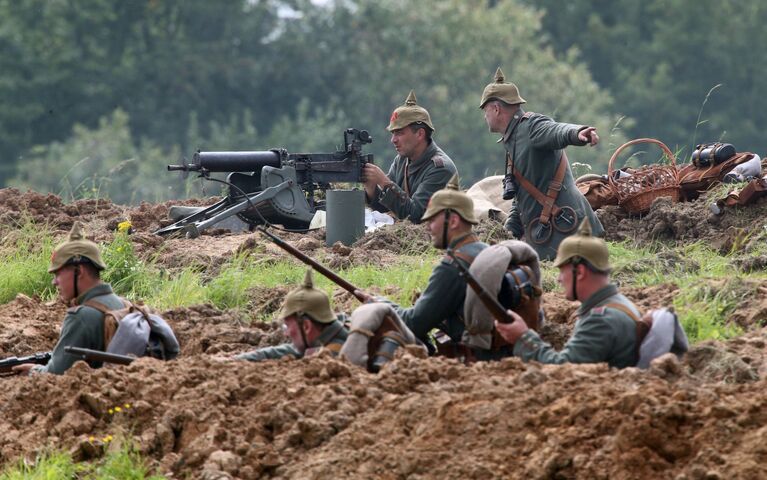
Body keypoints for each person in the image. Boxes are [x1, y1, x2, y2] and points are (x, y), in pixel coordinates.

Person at [480, 67, 604, 260]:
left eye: (485, 110)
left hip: (572, 233)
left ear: (496, 109)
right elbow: (522, 195)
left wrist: (578, 133)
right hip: (553, 238)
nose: (484, 116)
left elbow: (555, 130)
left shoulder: (531, 126)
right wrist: (508, 233)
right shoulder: (512, 139)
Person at [356, 174, 488, 355]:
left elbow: (414, 325)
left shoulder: (452, 267)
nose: (427, 227)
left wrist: (380, 304)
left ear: (454, 221)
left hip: (475, 361)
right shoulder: (485, 251)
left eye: (432, 220)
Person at [494, 219, 645, 368]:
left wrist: (523, 337)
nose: (559, 279)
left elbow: (563, 369)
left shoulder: (601, 320)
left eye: (561, 271)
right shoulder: (619, 304)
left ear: (579, 272)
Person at [13, 222, 125, 375]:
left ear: (79, 271)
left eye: (58, 274)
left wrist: (34, 371)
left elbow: (55, 375)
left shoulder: (81, 316)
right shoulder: (123, 304)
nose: (54, 282)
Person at [363, 90, 457, 223]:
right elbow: (389, 207)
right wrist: (371, 187)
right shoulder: (402, 160)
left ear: (420, 134)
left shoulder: (440, 169)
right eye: (393, 133)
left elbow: (415, 215)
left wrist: (383, 182)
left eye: (399, 133)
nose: (393, 140)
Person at [236, 269, 348, 362]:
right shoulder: (334, 329)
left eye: (287, 326)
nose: (286, 332)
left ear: (306, 326)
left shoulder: (336, 354)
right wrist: (236, 359)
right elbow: (289, 351)